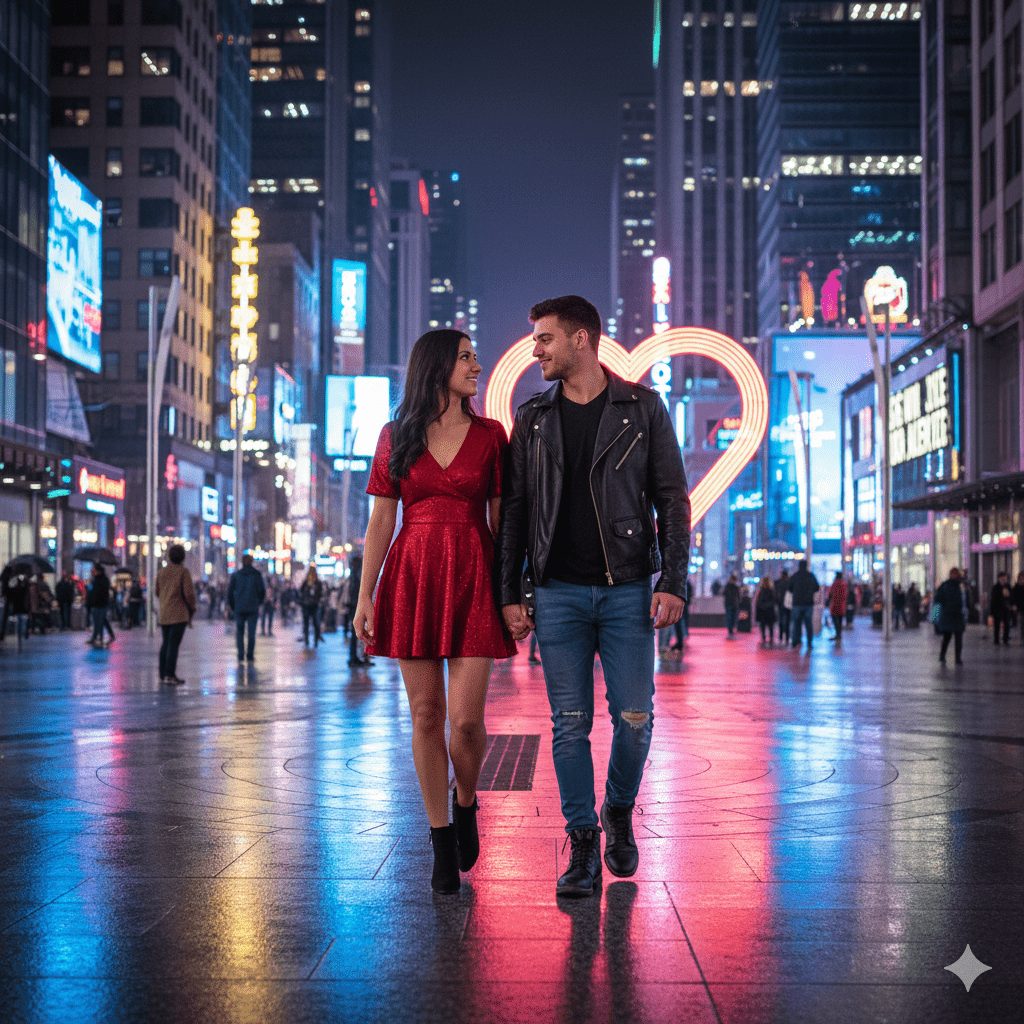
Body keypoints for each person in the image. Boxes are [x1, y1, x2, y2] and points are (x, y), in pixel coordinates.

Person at [498, 295, 690, 899]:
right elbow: (517, 514)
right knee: (569, 724)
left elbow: (672, 501)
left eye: (545, 339)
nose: (536, 351)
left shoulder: (644, 408)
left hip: (628, 589)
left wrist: (674, 582)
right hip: (557, 594)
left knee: (635, 720)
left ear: (582, 339)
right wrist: (512, 591)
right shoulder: (531, 418)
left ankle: (617, 810)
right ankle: (582, 841)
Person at [354, 328, 515, 896]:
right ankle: (440, 838)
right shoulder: (395, 434)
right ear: (437, 366)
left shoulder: (493, 436)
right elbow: (381, 521)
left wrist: (512, 593)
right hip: (414, 575)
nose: (477, 363)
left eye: (475, 354)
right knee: (425, 715)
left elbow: (502, 524)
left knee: (466, 724)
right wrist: (364, 593)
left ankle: (465, 798)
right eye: (467, 356)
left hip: (474, 574)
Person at [154, 545, 195, 684]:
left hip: (165, 612)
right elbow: (189, 593)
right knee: (173, 644)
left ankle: (162, 673)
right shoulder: (183, 572)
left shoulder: (162, 572)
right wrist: (192, 607)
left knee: (166, 643)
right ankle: (170, 675)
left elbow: (157, 591)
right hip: (179, 614)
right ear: (182, 557)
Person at [228, 553, 266, 663]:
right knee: (251, 633)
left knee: (239, 632)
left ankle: (240, 654)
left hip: (239, 608)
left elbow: (230, 593)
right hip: (252, 607)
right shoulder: (257, 575)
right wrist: (258, 602)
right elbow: (262, 591)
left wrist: (233, 606)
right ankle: (250, 655)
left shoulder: (236, 575)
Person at [934, 567, 966, 665]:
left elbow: (964, 602)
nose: (956, 576)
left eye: (957, 574)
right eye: (954, 574)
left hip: (957, 616)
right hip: (948, 616)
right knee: (947, 638)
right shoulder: (945, 586)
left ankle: (958, 658)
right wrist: (934, 618)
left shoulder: (960, 586)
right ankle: (942, 655)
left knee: (958, 639)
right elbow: (937, 601)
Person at [789, 559, 820, 650]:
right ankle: (809, 642)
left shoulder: (795, 576)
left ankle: (796, 641)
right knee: (808, 624)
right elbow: (816, 587)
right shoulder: (811, 576)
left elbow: (790, 588)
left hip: (797, 603)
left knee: (796, 623)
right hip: (808, 603)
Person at [345, 557, 368, 667]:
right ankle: (355, 657)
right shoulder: (357, 576)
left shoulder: (352, 575)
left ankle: (355, 657)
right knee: (357, 633)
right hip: (355, 607)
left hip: (352, 607)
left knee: (355, 634)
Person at [86, 564, 113, 647]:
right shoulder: (95, 580)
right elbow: (91, 591)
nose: (93, 572)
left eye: (94, 570)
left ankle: (98, 638)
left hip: (101, 603)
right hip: (96, 604)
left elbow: (98, 592)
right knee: (100, 621)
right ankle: (102, 637)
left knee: (99, 622)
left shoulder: (102, 580)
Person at [298, 566, 323, 647]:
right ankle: (307, 640)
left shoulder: (318, 583)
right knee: (307, 624)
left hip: (314, 606)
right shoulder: (306, 582)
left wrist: (316, 601)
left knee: (315, 623)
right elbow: (300, 592)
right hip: (306, 606)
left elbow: (320, 594)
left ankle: (315, 640)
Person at [990, 571, 1013, 645]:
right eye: (1002, 578)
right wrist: (991, 612)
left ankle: (1005, 639)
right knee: (997, 625)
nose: (1003, 579)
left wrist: (1008, 596)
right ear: (999, 578)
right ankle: (996, 640)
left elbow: (1011, 597)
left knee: (1007, 624)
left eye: (1005, 578)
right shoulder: (995, 587)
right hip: (997, 608)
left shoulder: (1008, 586)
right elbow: (993, 599)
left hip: (1006, 608)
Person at [754, 576, 777, 646]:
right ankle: (771, 639)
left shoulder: (761, 590)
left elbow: (757, 601)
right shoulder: (772, 590)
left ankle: (764, 638)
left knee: (763, 626)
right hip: (769, 610)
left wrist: (762, 606)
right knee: (770, 626)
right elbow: (774, 600)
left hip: (762, 611)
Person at [827, 572, 848, 645]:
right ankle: (839, 634)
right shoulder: (844, 584)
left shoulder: (834, 584)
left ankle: (837, 634)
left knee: (835, 621)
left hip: (835, 604)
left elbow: (830, 594)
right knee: (840, 620)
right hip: (842, 605)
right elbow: (845, 595)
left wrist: (828, 601)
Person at [776, 568, 792, 643]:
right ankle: (787, 637)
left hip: (780, 604)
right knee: (788, 622)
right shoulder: (789, 582)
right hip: (788, 605)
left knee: (781, 621)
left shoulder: (778, 583)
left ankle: (781, 636)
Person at [1013, 571, 1024, 646]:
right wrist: (1014, 606)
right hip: (1020, 609)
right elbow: (1013, 598)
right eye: (1021, 578)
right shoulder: (1016, 587)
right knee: (1022, 624)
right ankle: (1022, 639)